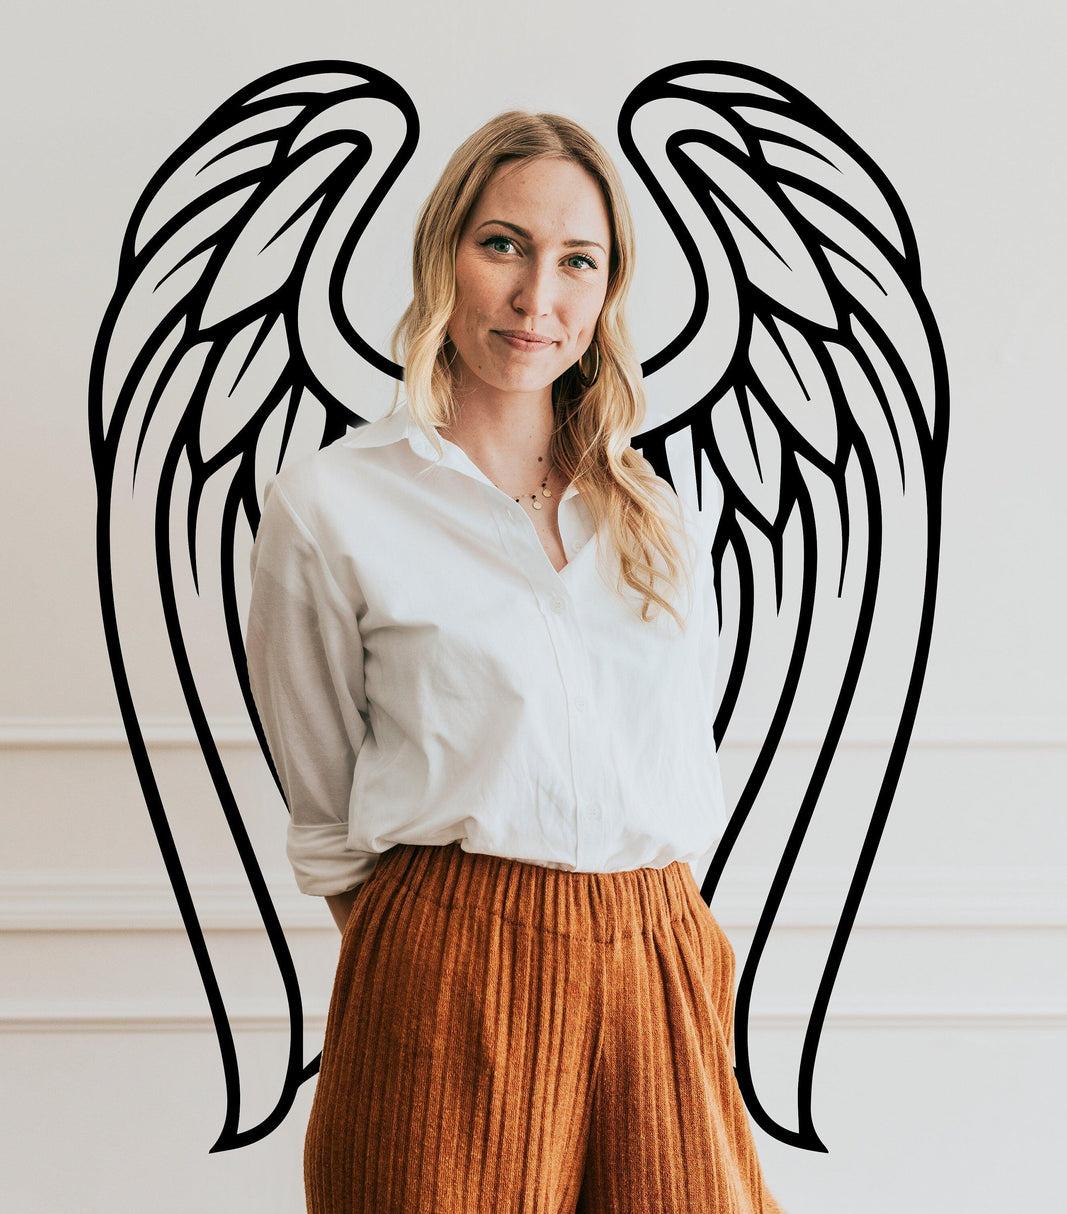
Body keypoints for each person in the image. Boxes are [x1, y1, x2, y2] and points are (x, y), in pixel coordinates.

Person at [245, 109, 786, 1214]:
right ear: (444, 254)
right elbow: (320, 802)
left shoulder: (656, 516)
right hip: (447, 954)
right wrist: (444, 939)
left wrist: (660, 942)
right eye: (502, 245)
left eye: (575, 260)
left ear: (605, 290)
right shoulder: (333, 505)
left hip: (660, 949)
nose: (537, 296)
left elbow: (675, 759)